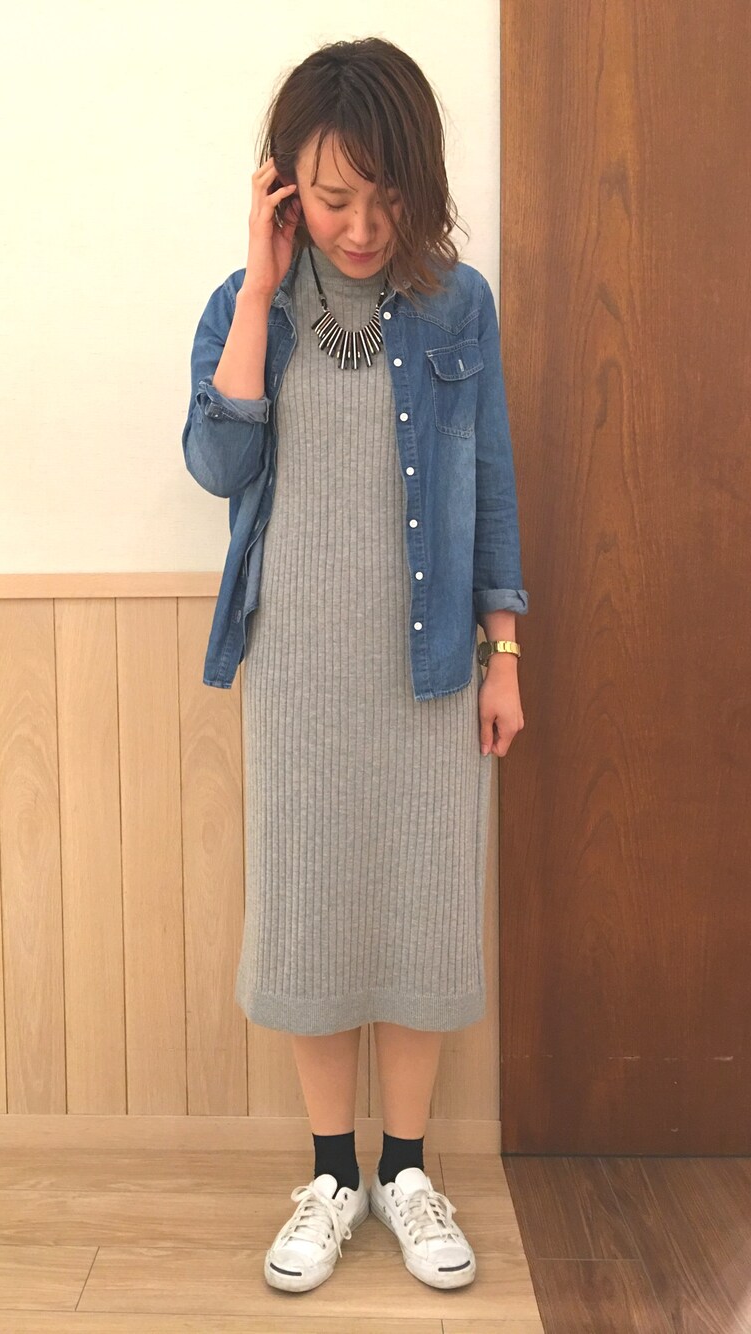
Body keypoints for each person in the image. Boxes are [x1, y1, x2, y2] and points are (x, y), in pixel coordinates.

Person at [181, 37, 528, 1294]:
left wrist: (503, 651)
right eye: (334, 198)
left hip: (433, 667)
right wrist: (264, 287)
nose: (365, 225)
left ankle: (407, 1169)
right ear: (285, 184)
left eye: (387, 197)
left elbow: (491, 485)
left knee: (424, 917)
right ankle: (331, 1175)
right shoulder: (246, 303)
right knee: (312, 914)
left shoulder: (457, 305)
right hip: (299, 668)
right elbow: (217, 465)